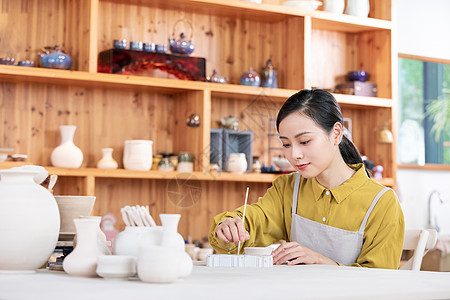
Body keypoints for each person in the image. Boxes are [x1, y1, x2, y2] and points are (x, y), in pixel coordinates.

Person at [208, 89, 405, 269]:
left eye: (304, 141)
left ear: (336, 134)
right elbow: (255, 221)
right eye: (286, 144)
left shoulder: (382, 203)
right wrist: (228, 227)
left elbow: (380, 281)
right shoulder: (288, 188)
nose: (294, 154)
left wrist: (320, 261)